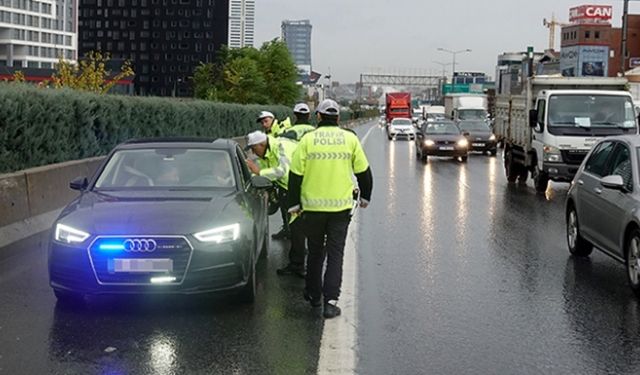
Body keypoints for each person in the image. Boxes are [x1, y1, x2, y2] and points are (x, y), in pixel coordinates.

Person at [288, 99, 373, 319]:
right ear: (337, 118)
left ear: (318, 116)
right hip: (340, 210)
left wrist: (294, 204)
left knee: (315, 252)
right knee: (335, 255)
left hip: (312, 209)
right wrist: (365, 197)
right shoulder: (349, 139)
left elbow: (295, 175)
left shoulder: (307, 140)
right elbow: (364, 172)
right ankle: (330, 302)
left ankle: (313, 295)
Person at [245, 131, 297, 240]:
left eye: (254, 149)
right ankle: (288, 231)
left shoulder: (281, 146)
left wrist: (259, 172)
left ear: (261, 145)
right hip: (285, 186)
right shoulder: (264, 153)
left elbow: (283, 171)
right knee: (286, 210)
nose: (253, 153)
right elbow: (264, 173)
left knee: (298, 219)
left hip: (299, 184)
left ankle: (302, 246)